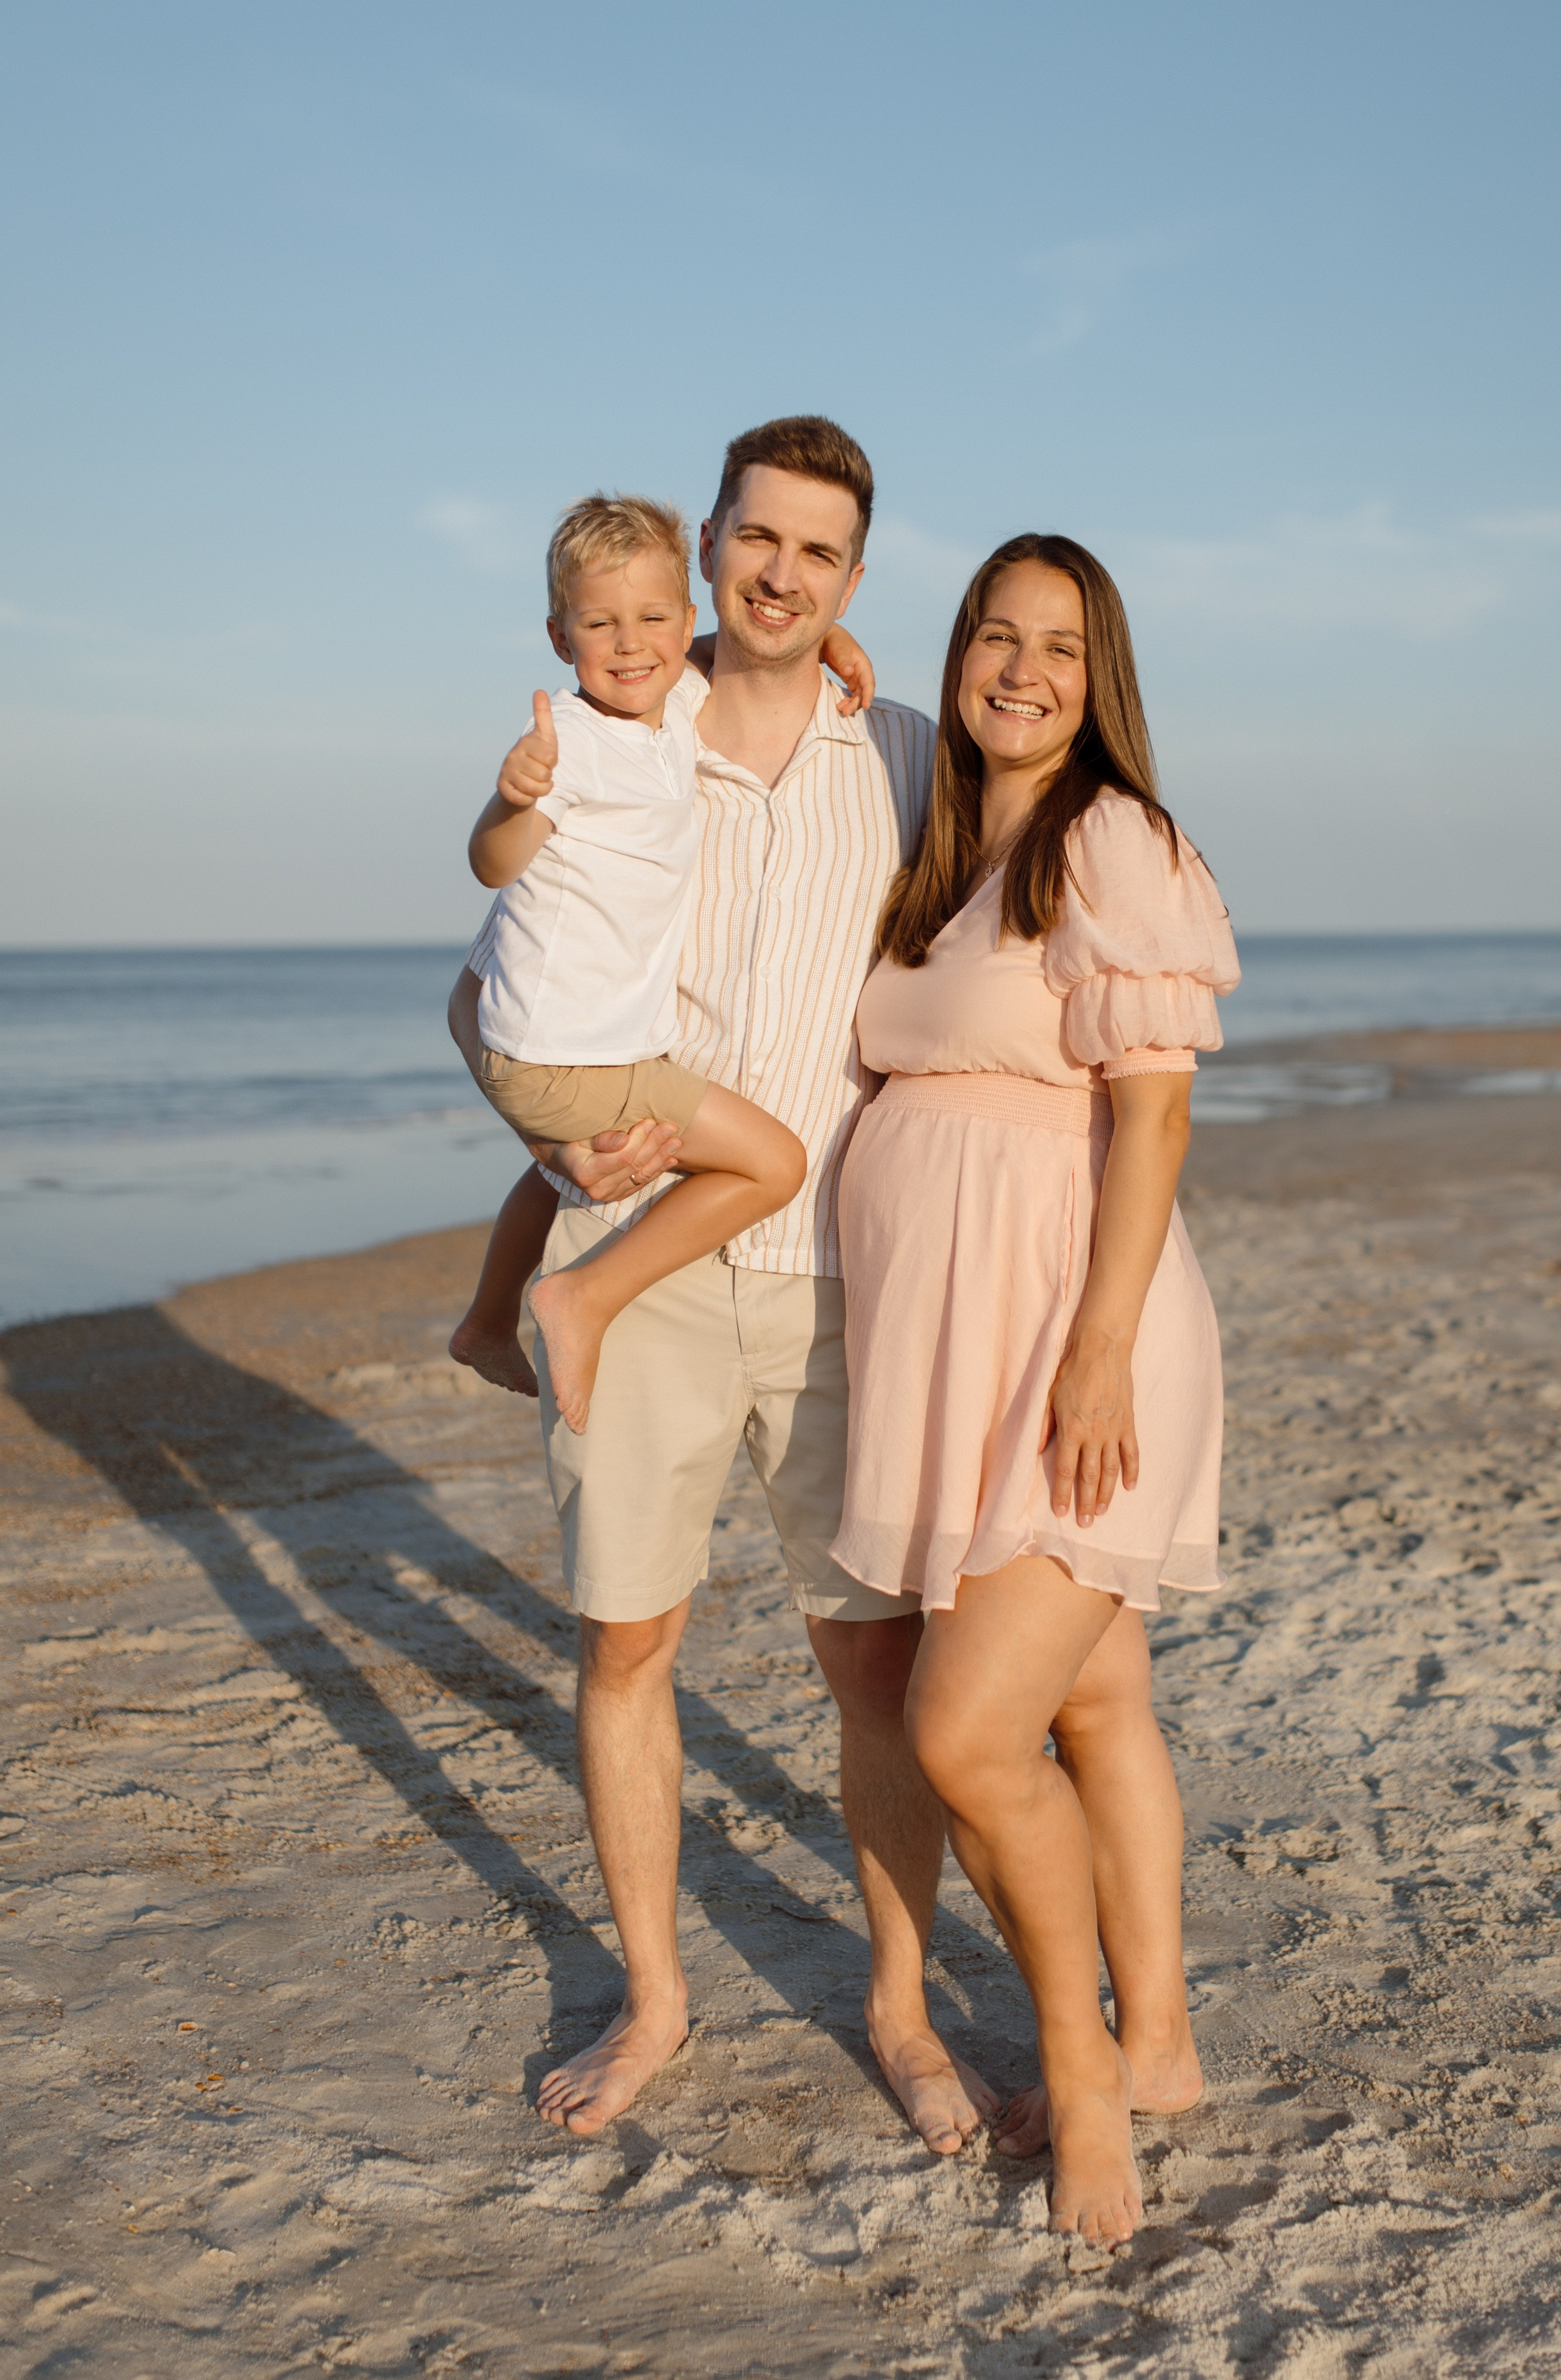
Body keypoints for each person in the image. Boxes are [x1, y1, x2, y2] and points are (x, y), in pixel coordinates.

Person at [447, 418, 993, 2155]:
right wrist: (548, 1154)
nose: (781, 575)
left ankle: (902, 2011)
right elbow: (498, 988)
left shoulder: (907, 755)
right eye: (758, 540)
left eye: (817, 555)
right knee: (631, 1642)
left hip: (846, 1279)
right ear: (711, 541)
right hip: (651, 1260)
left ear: (852, 578)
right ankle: (656, 2001)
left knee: (874, 1670)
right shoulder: (618, 734)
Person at [830, 533, 1240, 2247]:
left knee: (964, 1729)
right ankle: (1165, 2046)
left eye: (1058, 647)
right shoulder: (944, 839)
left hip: (1079, 1333)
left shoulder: (1111, 839)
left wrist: (1092, 1341)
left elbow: (1151, 1112)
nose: (1020, 669)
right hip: (948, 1342)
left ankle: (1081, 2083)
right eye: (993, 637)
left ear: (1103, 676)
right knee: (1100, 1697)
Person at [450, 489, 868, 1433]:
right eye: (601, 624)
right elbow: (492, 867)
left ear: (686, 624)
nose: (631, 644)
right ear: (560, 636)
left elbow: (744, 649)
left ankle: (485, 1320)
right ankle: (581, 1299)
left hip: (569, 1052)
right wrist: (511, 804)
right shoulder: (576, 745)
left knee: (552, 1177)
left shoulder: (670, 711)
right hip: (573, 1059)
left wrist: (832, 640)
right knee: (773, 1162)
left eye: (652, 620)